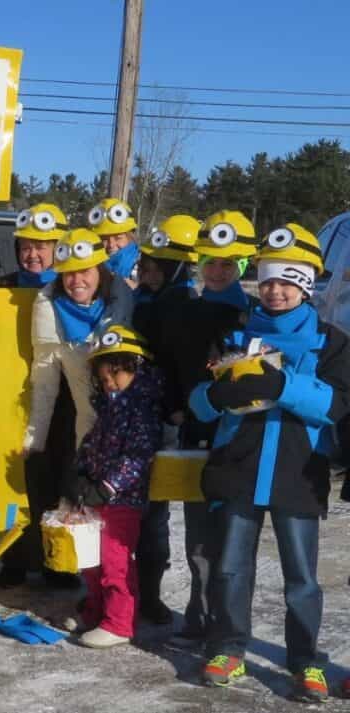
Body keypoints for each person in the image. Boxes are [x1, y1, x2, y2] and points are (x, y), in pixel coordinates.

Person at [189, 224, 350, 704]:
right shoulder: (232, 333)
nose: (275, 290)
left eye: (286, 280)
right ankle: (227, 646)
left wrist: (280, 387)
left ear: (305, 284)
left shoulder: (333, 341)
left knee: (301, 577)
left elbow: (335, 404)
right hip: (238, 468)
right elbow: (199, 405)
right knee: (230, 568)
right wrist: (216, 393)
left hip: (297, 473)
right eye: (267, 279)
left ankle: (305, 658)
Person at [157, 209, 256, 647]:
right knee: (198, 534)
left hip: (238, 438)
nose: (216, 271)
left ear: (242, 266)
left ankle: (227, 624)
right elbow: (172, 368)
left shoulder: (253, 316)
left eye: (226, 264)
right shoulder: (185, 312)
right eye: (209, 262)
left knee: (232, 536)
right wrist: (176, 408)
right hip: (196, 432)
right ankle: (199, 617)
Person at [24, 229, 134, 589]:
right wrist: (34, 438)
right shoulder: (48, 303)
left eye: (84, 271)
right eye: (69, 272)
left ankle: (128, 601)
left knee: (124, 525)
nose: (76, 281)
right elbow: (44, 378)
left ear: (99, 270)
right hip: (87, 428)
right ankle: (90, 595)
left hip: (128, 425)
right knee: (83, 510)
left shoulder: (121, 296)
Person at [0, 203, 78, 588]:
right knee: (16, 481)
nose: (33, 254)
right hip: (12, 399)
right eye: (26, 246)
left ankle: (57, 564)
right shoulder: (2, 287)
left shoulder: (73, 288)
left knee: (59, 482)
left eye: (43, 245)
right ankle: (14, 559)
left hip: (64, 400)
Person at [65, 325, 163, 648]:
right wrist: (80, 473)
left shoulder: (142, 410)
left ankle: (119, 623)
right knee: (91, 557)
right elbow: (92, 443)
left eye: (116, 376)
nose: (109, 384)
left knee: (114, 561)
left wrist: (108, 487)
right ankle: (96, 609)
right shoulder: (108, 407)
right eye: (105, 378)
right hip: (95, 495)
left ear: (136, 368)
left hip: (123, 500)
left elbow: (137, 456)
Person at [131, 214, 199, 625]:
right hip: (134, 413)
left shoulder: (181, 304)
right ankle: (131, 588)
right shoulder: (141, 302)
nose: (151, 273)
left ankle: (151, 594)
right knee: (133, 507)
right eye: (148, 266)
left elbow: (184, 365)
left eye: (160, 268)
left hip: (164, 418)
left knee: (154, 509)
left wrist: (175, 405)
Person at [87, 198, 139, 287]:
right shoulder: (91, 266)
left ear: (130, 237)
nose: (111, 244)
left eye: (118, 238)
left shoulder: (142, 265)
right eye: (104, 239)